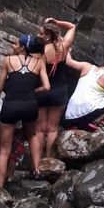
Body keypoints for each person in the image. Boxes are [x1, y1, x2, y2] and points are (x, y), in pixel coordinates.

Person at [0, 35, 50, 188]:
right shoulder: (39, 62)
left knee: (4, 150)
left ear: (23, 47)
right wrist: (32, 91)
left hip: (11, 106)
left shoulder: (8, 60)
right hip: (30, 105)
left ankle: (0, 187)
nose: (12, 45)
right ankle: (36, 169)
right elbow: (47, 87)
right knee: (32, 134)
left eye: (15, 43)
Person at [35, 17, 77, 158]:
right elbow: (72, 27)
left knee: (40, 129)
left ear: (47, 36)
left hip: (41, 90)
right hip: (59, 91)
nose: (38, 35)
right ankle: (49, 158)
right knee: (52, 129)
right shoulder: (64, 46)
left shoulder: (39, 51)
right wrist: (57, 23)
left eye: (41, 33)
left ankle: (38, 159)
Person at [62, 56, 104, 131]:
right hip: (85, 116)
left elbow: (68, 61)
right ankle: (97, 121)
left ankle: (86, 122)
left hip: (68, 117)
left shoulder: (86, 66)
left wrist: (66, 46)